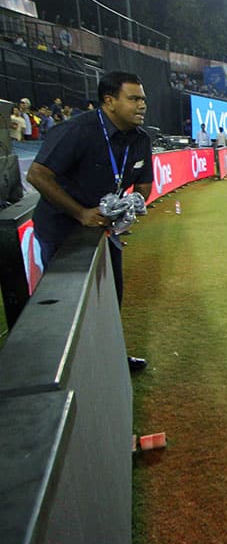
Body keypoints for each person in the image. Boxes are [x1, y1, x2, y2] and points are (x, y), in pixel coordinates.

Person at [25, 71, 153, 373]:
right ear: (109, 101)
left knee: (110, 296)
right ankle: (71, 373)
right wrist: (80, 213)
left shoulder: (141, 139)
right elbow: (37, 175)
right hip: (63, 232)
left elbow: (144, 184)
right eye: (133, 99)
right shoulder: (77, 130)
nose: (142, 106)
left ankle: (109, 359)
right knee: (71, 307)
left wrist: (132, 204)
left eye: (143, 99)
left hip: (105, 230)